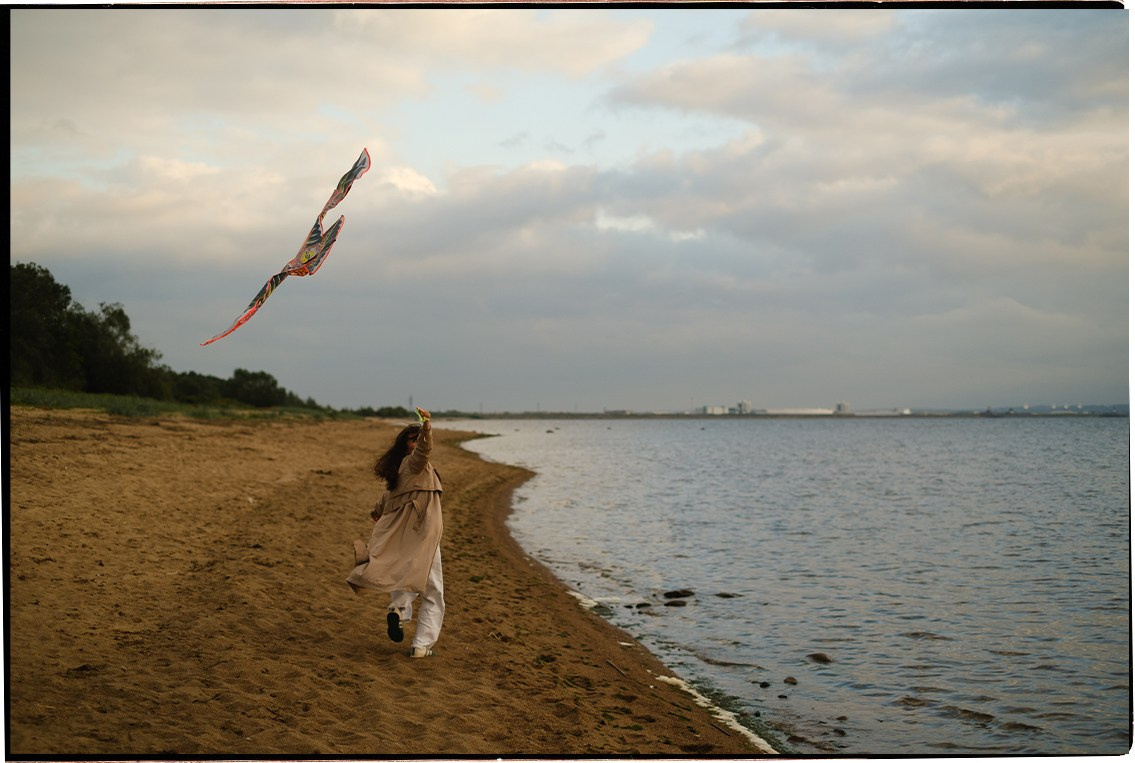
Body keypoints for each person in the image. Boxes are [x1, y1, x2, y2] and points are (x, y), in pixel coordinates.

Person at [347, 407, 444, 658]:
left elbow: (386, 499)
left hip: (406, 535)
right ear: (407, 446)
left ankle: (398, 611)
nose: (418, 443)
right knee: (433, 590)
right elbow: (424, 449)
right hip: (422, 533)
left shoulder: (400, 470)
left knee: (406, 574)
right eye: (413, 439)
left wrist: (376, 511)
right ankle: (422, 645)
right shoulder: (415, 463)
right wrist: (426, 426)